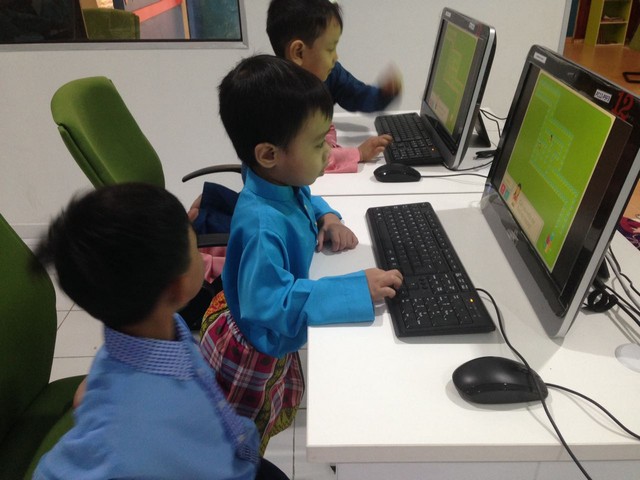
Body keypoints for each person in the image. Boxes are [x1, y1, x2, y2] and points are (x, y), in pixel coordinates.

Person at [199, 54, 404, 454]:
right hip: (251, 344)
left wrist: (326, 215)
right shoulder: (262, 227)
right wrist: (355, 289)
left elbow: (302, 195)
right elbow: (273, 303)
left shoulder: (274, 179)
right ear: (269, 154)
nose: (328, 153)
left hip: (257, 322)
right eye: (317, 144)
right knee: (238, 440)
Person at [32, 183, 282, 479]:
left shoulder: (156, 332)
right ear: (178, 286)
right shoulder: (129, 443)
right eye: (195, 246)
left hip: (230, 450)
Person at [266, 0, 403, 173]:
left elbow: (356, 95)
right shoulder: (279, 99)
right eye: (330, 49)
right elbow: (306, 159)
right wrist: (358, 153)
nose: (336, 57)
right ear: (299, 52)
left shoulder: (331, 74)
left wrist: (383, 94)